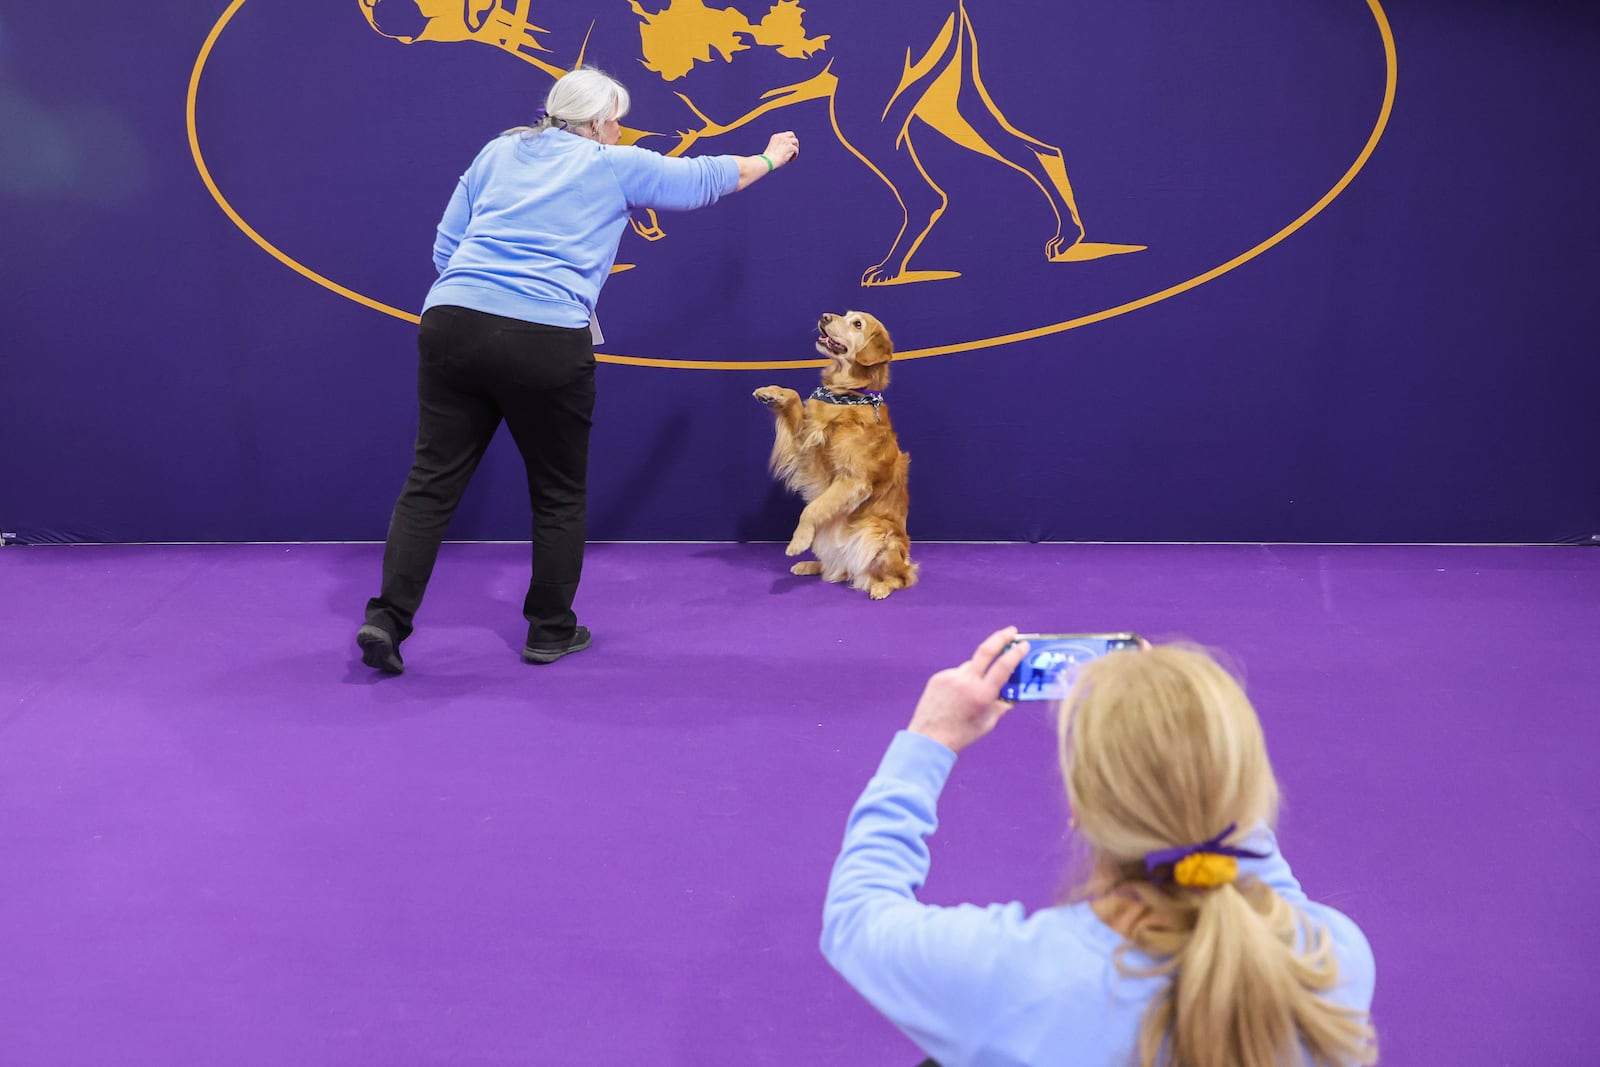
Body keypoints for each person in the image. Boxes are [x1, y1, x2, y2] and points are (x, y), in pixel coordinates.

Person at [357, 67, 800, 674]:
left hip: (451, 322)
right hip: (545, 336)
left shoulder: (499, 150)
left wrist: (483, 297)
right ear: (593, 124)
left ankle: (386, 619)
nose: (620, 130)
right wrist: (772, 158)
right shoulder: (613, 162)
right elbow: (708, 179)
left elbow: (445, 247)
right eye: (614, 120)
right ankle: (549, 632)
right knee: (558, 492)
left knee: (431, 481)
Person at [821, 628, 1377, 1067]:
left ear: (1080, 813)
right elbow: (1240, 847)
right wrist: (1181, 729)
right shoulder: (1335, 957)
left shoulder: (1014, 977)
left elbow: (857, 915)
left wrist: (928, 739)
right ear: (1250, 790)